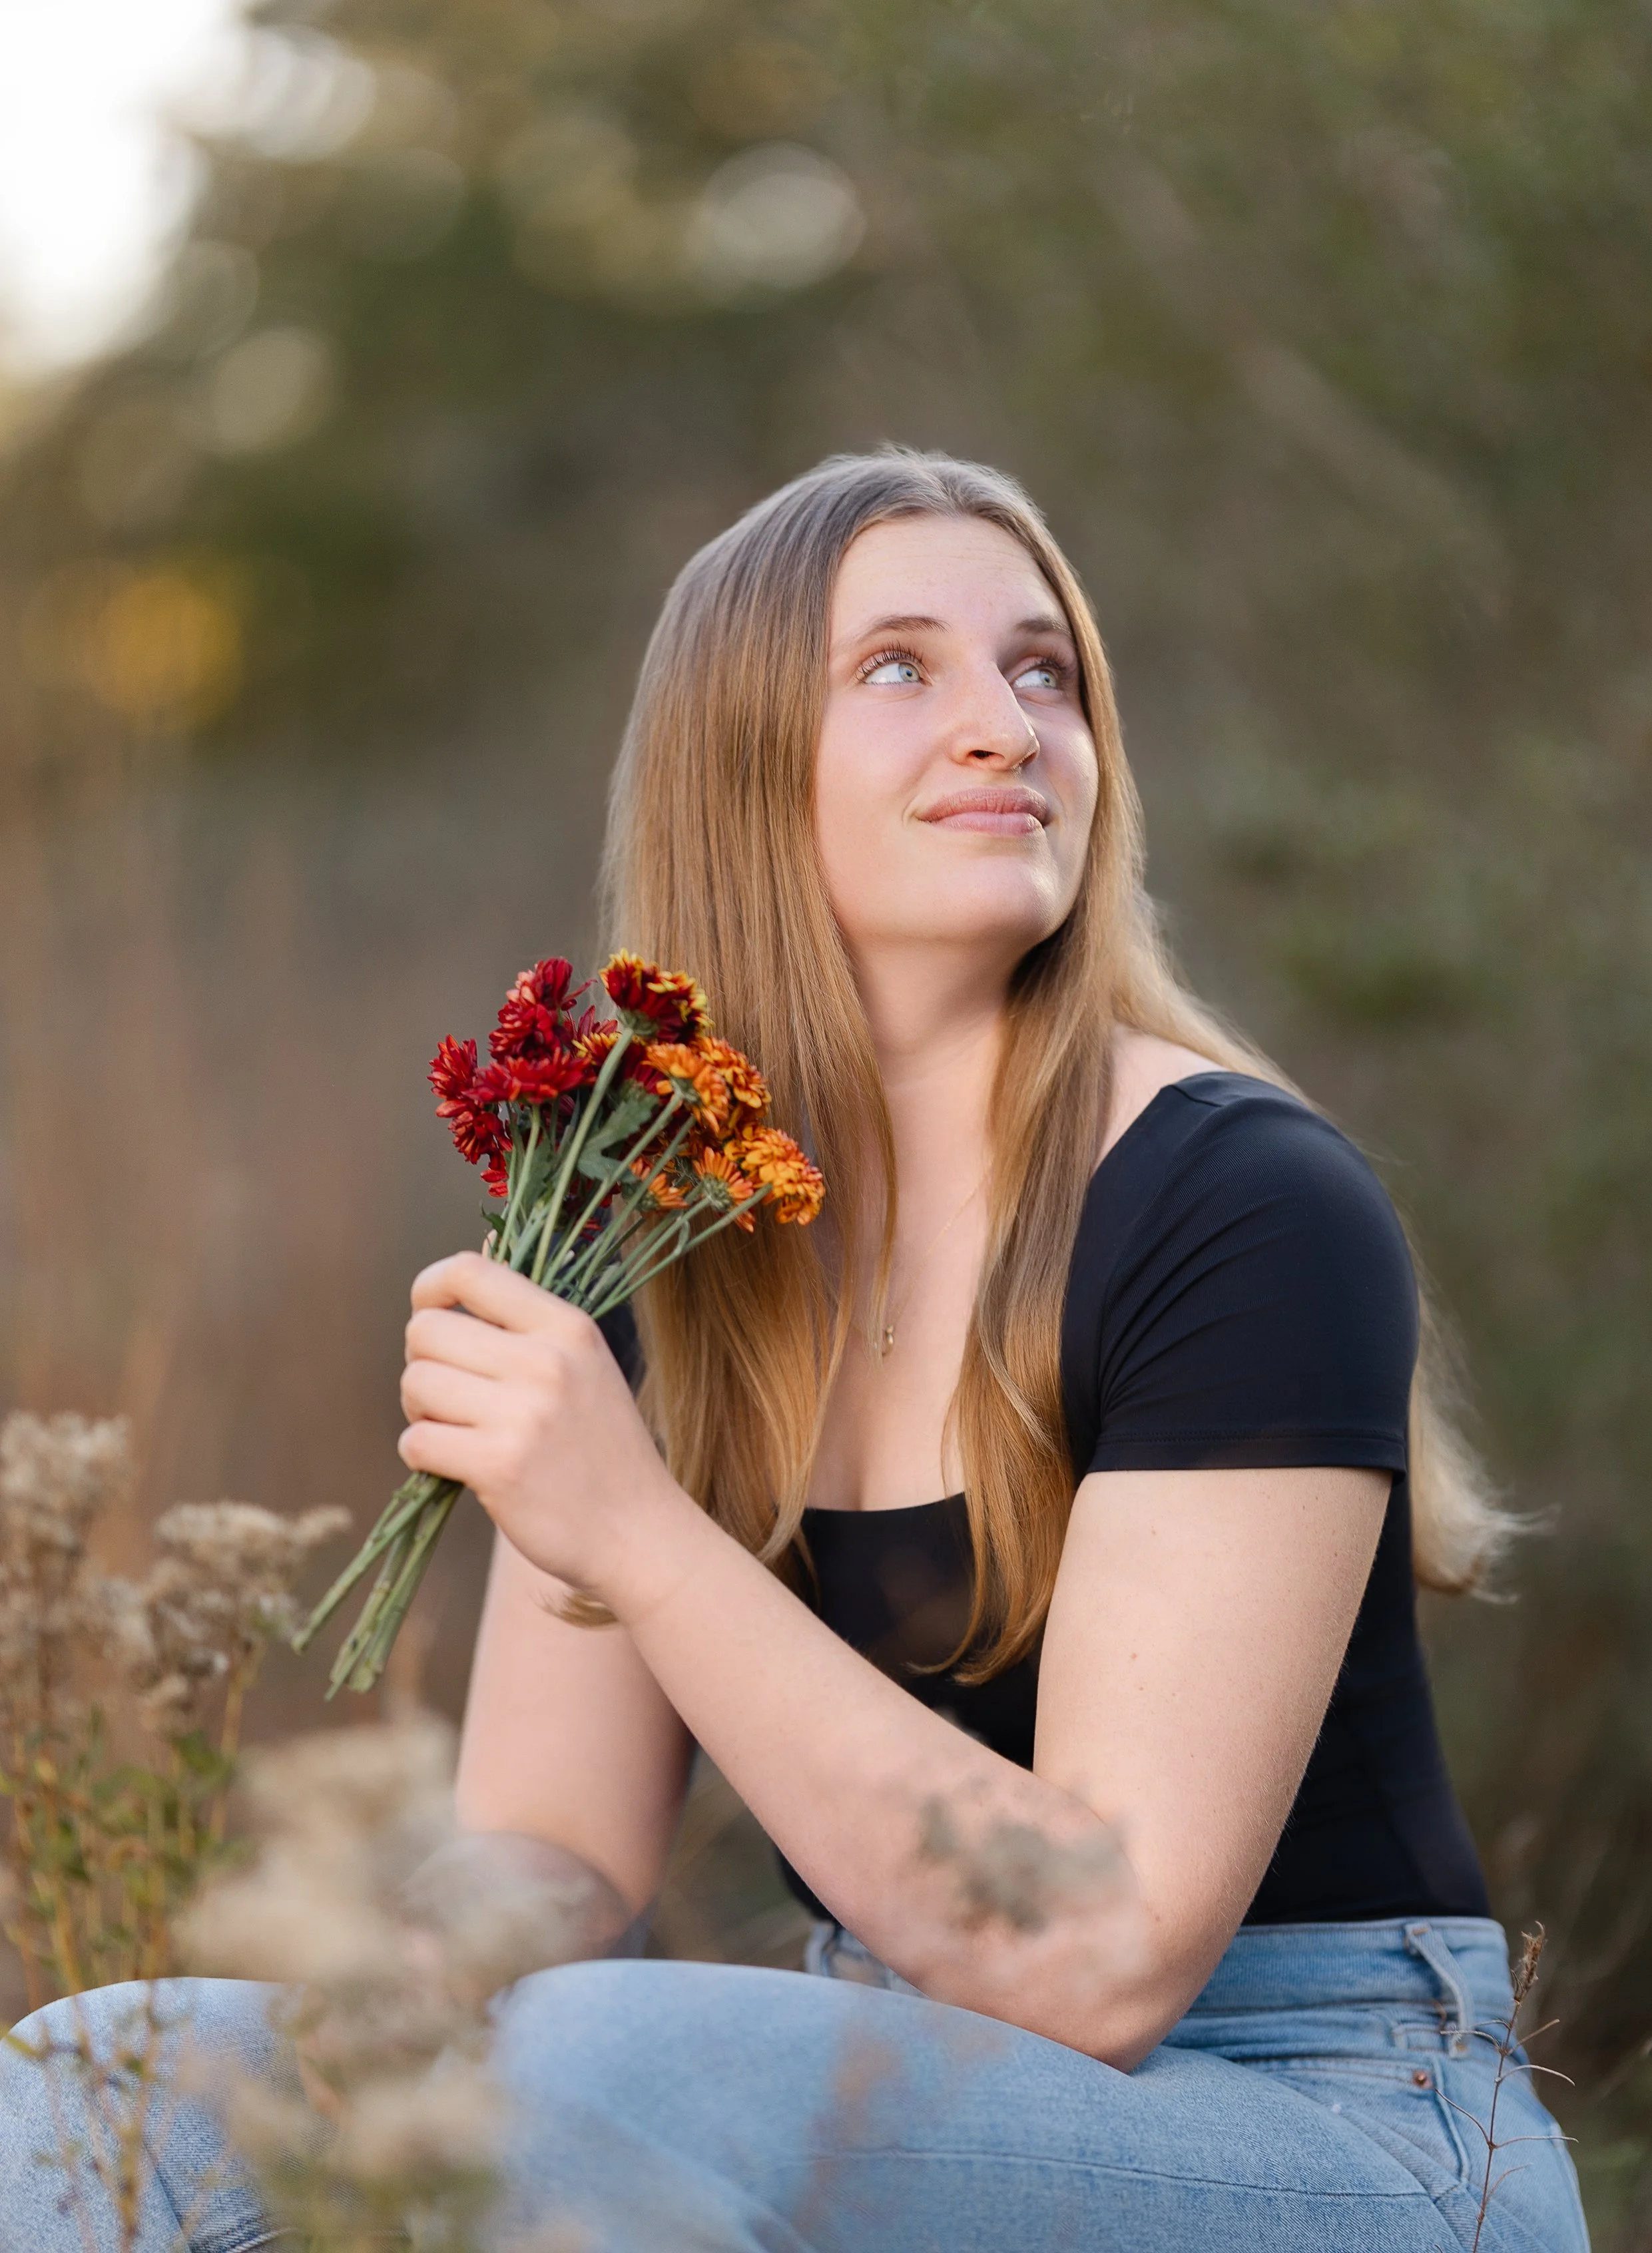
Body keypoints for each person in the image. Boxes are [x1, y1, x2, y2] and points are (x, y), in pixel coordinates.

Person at [0, 450, 1589, 2252]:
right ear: (742, 772)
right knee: (101, 2081)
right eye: (902, 668)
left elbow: (1101, 1959)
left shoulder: (1242, 1206)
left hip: (1330, 2123)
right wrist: (367, 2008)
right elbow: (560, 1856)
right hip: (885, 2080)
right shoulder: (649, 1238)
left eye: (1043, 669)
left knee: (612, 2068)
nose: (1004, 724)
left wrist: (636, 1529)